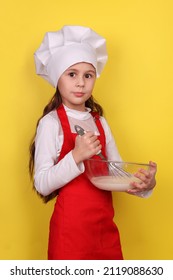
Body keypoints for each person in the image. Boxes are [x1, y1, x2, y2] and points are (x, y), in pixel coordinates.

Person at [29, 25, 157, 260]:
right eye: (72, 74)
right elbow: (42, 183)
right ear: (58, 77)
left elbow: (115, 172)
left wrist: (143, 184)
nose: (81, 83)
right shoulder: (51, 123)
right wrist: (76, 156)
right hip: (70, 236)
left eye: (88, 75)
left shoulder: (99, 121)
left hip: (105, 232)